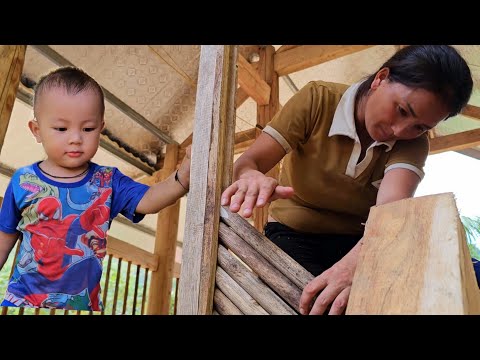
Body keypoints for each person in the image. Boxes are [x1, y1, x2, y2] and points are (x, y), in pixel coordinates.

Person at [221, 45, 475, 314]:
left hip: (361, 243)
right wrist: (251, 177)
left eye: (421, 127)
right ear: (380, 78)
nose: (400, 131)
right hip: (292, 234)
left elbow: (389, 213)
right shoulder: (317, 99)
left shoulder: (413, 144)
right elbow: (250, 163)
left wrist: (356, 263)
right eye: (402, 110)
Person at [0, 66, 191, 311]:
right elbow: (5, 237)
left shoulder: (107, 181)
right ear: (37, 131)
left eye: (87, 129)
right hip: (23, 304)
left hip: (81, 305)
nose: (75, 138)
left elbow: (149, 199)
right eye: (61, 128)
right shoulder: (23, 180)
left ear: (100, 129)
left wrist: (182, 178)